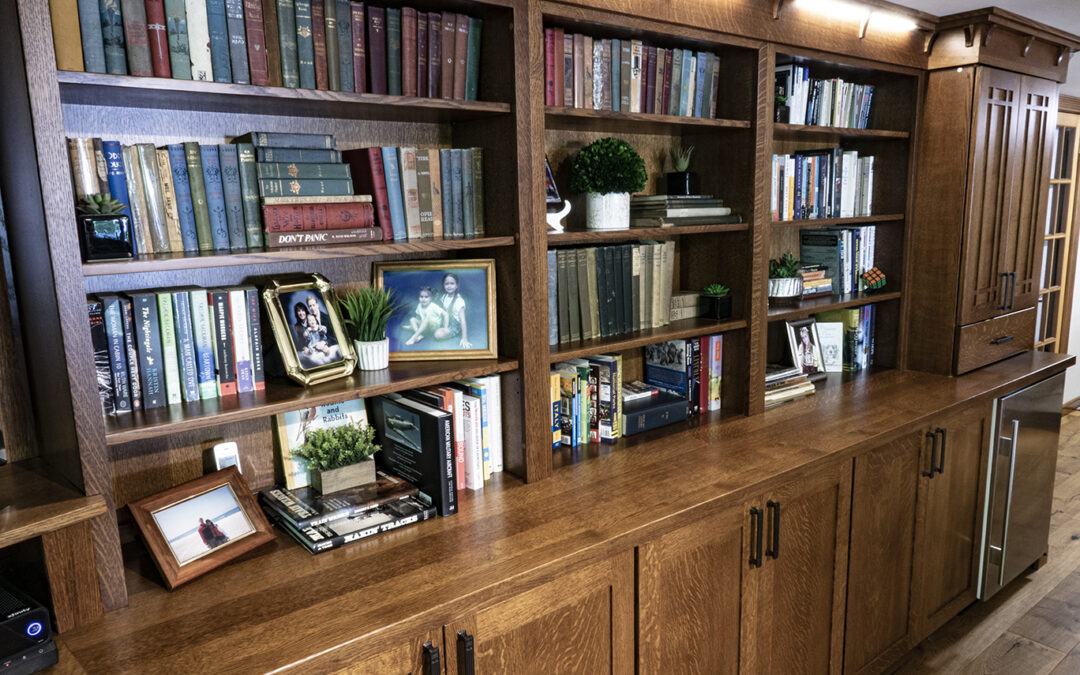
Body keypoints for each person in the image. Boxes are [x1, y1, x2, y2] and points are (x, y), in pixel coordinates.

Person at [433, 273, 472, 349]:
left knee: (437, 334)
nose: (449, 286)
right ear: (444, 285)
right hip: (445, 321)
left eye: (452, 283)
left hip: (454, 326)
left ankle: (448, 331)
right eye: (447, 284)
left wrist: (464, 338)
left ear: (457, 285)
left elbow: (463, 320)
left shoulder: (459, 301)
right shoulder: (444, 297)